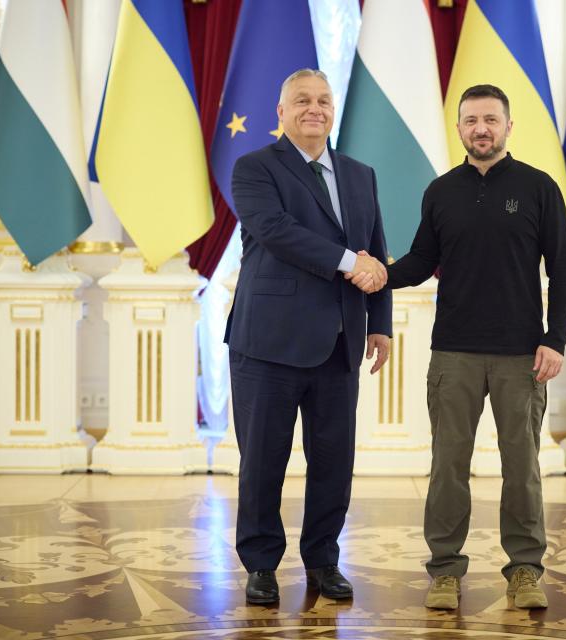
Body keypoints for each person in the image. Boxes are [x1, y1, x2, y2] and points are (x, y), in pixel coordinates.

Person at [349, 84, 566, 610]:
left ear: (509, 126)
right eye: (471, 120)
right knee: (449, 463)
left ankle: (524, 570)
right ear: (459, 129)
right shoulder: (441, 191)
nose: (481, 128)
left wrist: (555, 340)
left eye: (491, 119)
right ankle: (445, 572)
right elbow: (421, 261)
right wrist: (378, 272)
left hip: (523, 356)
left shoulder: (540, 188)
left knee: (523, 466)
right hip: (453, 353)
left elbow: (562, 272)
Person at [227, 68, 392, 605]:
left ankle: (323, 561)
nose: (313, 108)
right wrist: (352, 263)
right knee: (262, 462)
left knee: (333, 463)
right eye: (301, 100)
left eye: (323, 100)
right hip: (268, 344)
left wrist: (382, 323)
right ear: (281, 112)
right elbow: (278, 233)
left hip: (341, 343)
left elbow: (376, 252)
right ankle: (260, 566)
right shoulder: (254, 169)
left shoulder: (360, 173)